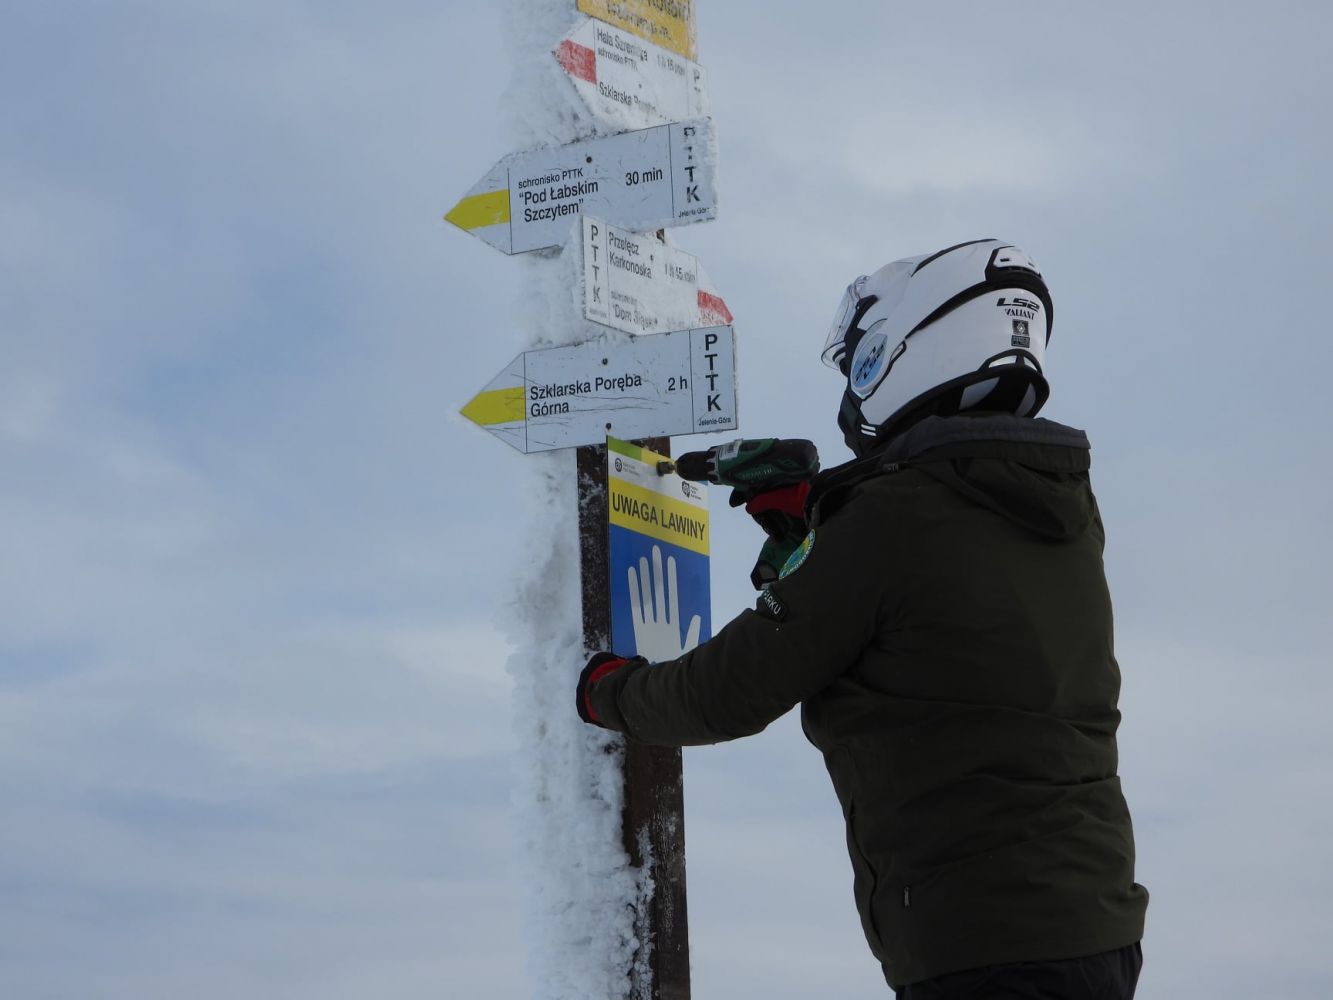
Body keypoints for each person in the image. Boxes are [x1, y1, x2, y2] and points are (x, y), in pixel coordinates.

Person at [576, 239, 1149, 997]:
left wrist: (601, 691)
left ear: (908, 348)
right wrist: (809, 525)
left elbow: (727, 692)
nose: (854, 388)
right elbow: (914, 623)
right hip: (1091, 924)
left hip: (980, 943)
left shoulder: (895, 519)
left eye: (861, 364)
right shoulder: (1056, 510)